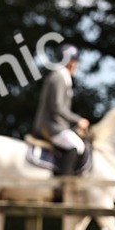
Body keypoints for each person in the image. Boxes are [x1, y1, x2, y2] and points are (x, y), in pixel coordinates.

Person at [32, 43, 89, 176]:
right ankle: (64, 183)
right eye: (75, 61)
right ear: (69, 62)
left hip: (56, 125)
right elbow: (57, 107)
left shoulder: (63, 77)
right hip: (50, 126)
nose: (76, 65)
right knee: (77, 145)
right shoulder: (59, 77)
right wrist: (78, 120)